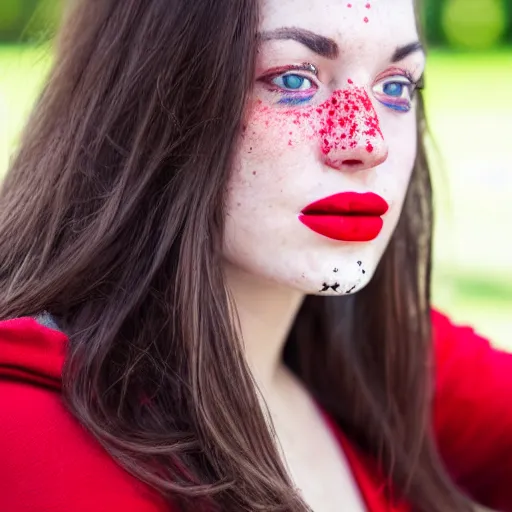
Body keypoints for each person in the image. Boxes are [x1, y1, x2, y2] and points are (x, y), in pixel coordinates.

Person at [0, 0, 510, 511]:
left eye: (396, 86)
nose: (364, 141)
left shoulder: (379, 356)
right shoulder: (33, 437)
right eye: (292, 80)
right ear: (151, 97)